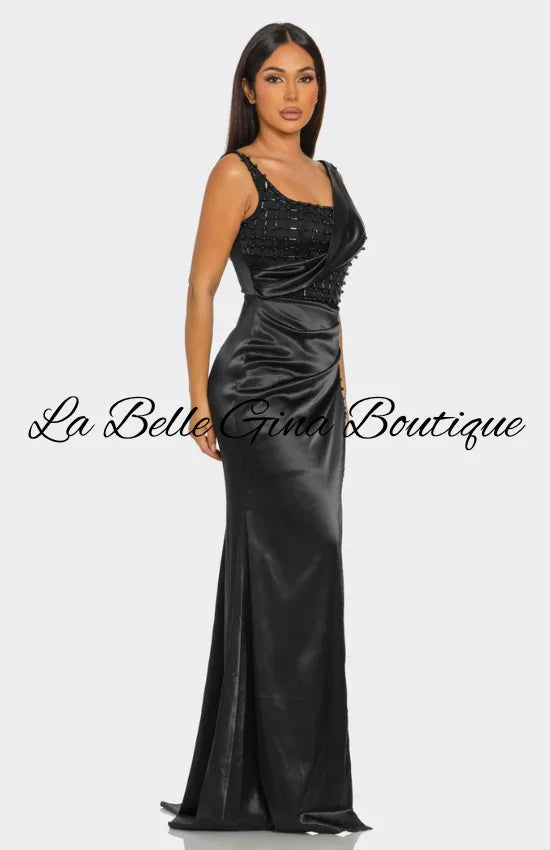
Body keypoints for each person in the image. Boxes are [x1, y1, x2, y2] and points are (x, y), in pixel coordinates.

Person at [160, 22, 371, 835]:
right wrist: (197, 400)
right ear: (248, 88)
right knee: (306, 556)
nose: (292, 93)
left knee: (306, 569)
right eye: (276, 77)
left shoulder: (329, 174)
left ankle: (271, 780)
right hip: (256, 385)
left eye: (306, 77)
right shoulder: (234, 171)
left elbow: (331, 299)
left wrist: (343, 386)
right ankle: (285, 788)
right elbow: (201, 288)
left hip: (320, 393)